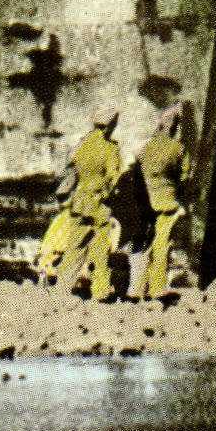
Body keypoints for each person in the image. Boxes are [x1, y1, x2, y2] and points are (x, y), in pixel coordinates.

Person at [67, 107, 126, 301]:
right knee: (100, 249)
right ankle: (100, 291)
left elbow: (71, 172)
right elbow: (114, 178)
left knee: (75, 245)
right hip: (99, 202)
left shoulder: (81, 145)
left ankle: (64, 286)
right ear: (110, 125)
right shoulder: (109, 148)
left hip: (79, 202)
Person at [131, 106, 190, 299]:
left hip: (145, 202)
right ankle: (156, 288)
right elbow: (184, 178)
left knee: (143, 243)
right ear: (174, 126)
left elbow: (136, 172)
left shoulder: (144, 148)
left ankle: (136, 289)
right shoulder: (179, 149)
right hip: (167, 202)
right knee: (162, 243)